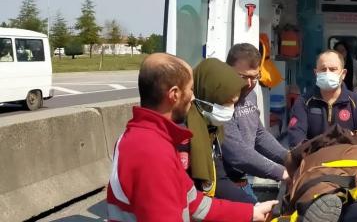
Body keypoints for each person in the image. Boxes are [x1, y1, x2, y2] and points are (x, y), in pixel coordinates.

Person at [107, 53, 277, 222]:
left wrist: (251, 212)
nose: (193, 97)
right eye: (190, 89)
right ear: (174, 94)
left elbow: (194, 202)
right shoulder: (151, 152)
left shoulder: (154, 139)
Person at [283, 125, 357, 222]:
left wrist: (291, 180)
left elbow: (290, 160)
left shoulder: (316, 141)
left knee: (319, 188)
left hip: (322, 163)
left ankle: (322, 198)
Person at [182, 58, 257, 203]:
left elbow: (219, 179)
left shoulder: (212, 129)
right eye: (226, 103)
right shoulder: (184, 135)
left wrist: (254, 206)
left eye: (233, 104)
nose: (230, 109)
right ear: (208, 95)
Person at [222, 43, 289, 200]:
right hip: (221, 183)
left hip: (242, 181)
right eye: (243, 77)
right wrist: (281, 172)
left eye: (255, 77)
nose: (249, 84)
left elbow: (258, 134)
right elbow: (237, 154)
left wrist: (288, 158)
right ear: (227, 70)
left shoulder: (250, 94)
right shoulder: (220, 100)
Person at [288, 50, 357, 148]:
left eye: (333, 69)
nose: (327, 73)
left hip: (348, 156)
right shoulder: (303, 101)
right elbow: (296, 137)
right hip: (313, 156)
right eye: (323, 69)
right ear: (316, 73)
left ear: (343, 74)